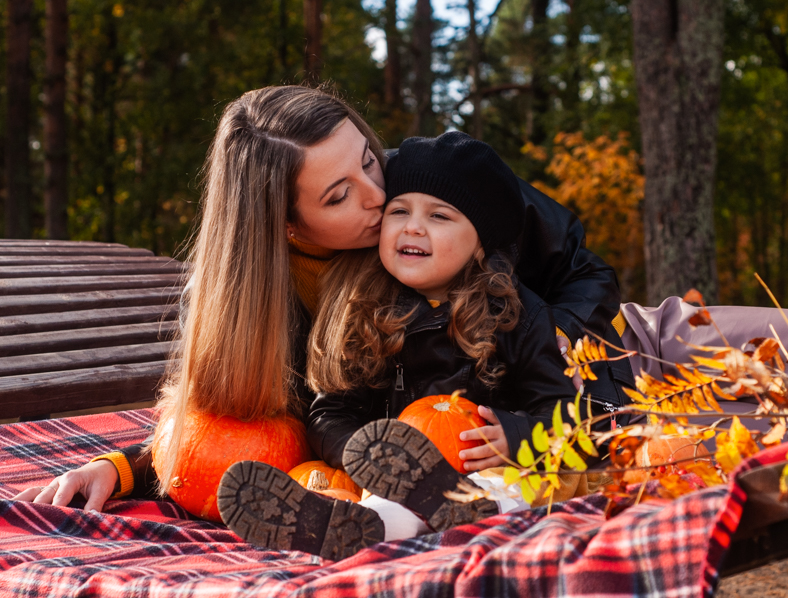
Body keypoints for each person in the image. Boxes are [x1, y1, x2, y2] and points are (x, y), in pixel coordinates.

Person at [11, 85, 631, 512]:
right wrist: (125, 469)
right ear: (284, 227)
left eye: (367, 157)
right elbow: (247, 419)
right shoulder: (270, 296)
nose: (376, 194)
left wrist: (554, 353)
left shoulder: (435, 187)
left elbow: (582, 269)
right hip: (407, 442)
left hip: (552, 373)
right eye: (338, 196)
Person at [214, 132, 589, 560]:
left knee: (522, 487)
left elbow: (567, 414)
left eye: (440, 216)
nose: (413, 226)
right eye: (399, 211)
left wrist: (519, 435)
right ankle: (346, 528)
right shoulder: (361, 306)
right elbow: (330, 411)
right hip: (400, 475)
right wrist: (366, 451)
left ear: (480, 241)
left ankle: (472, 515)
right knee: (392, 498)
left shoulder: (517, 314)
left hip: (491, 469)